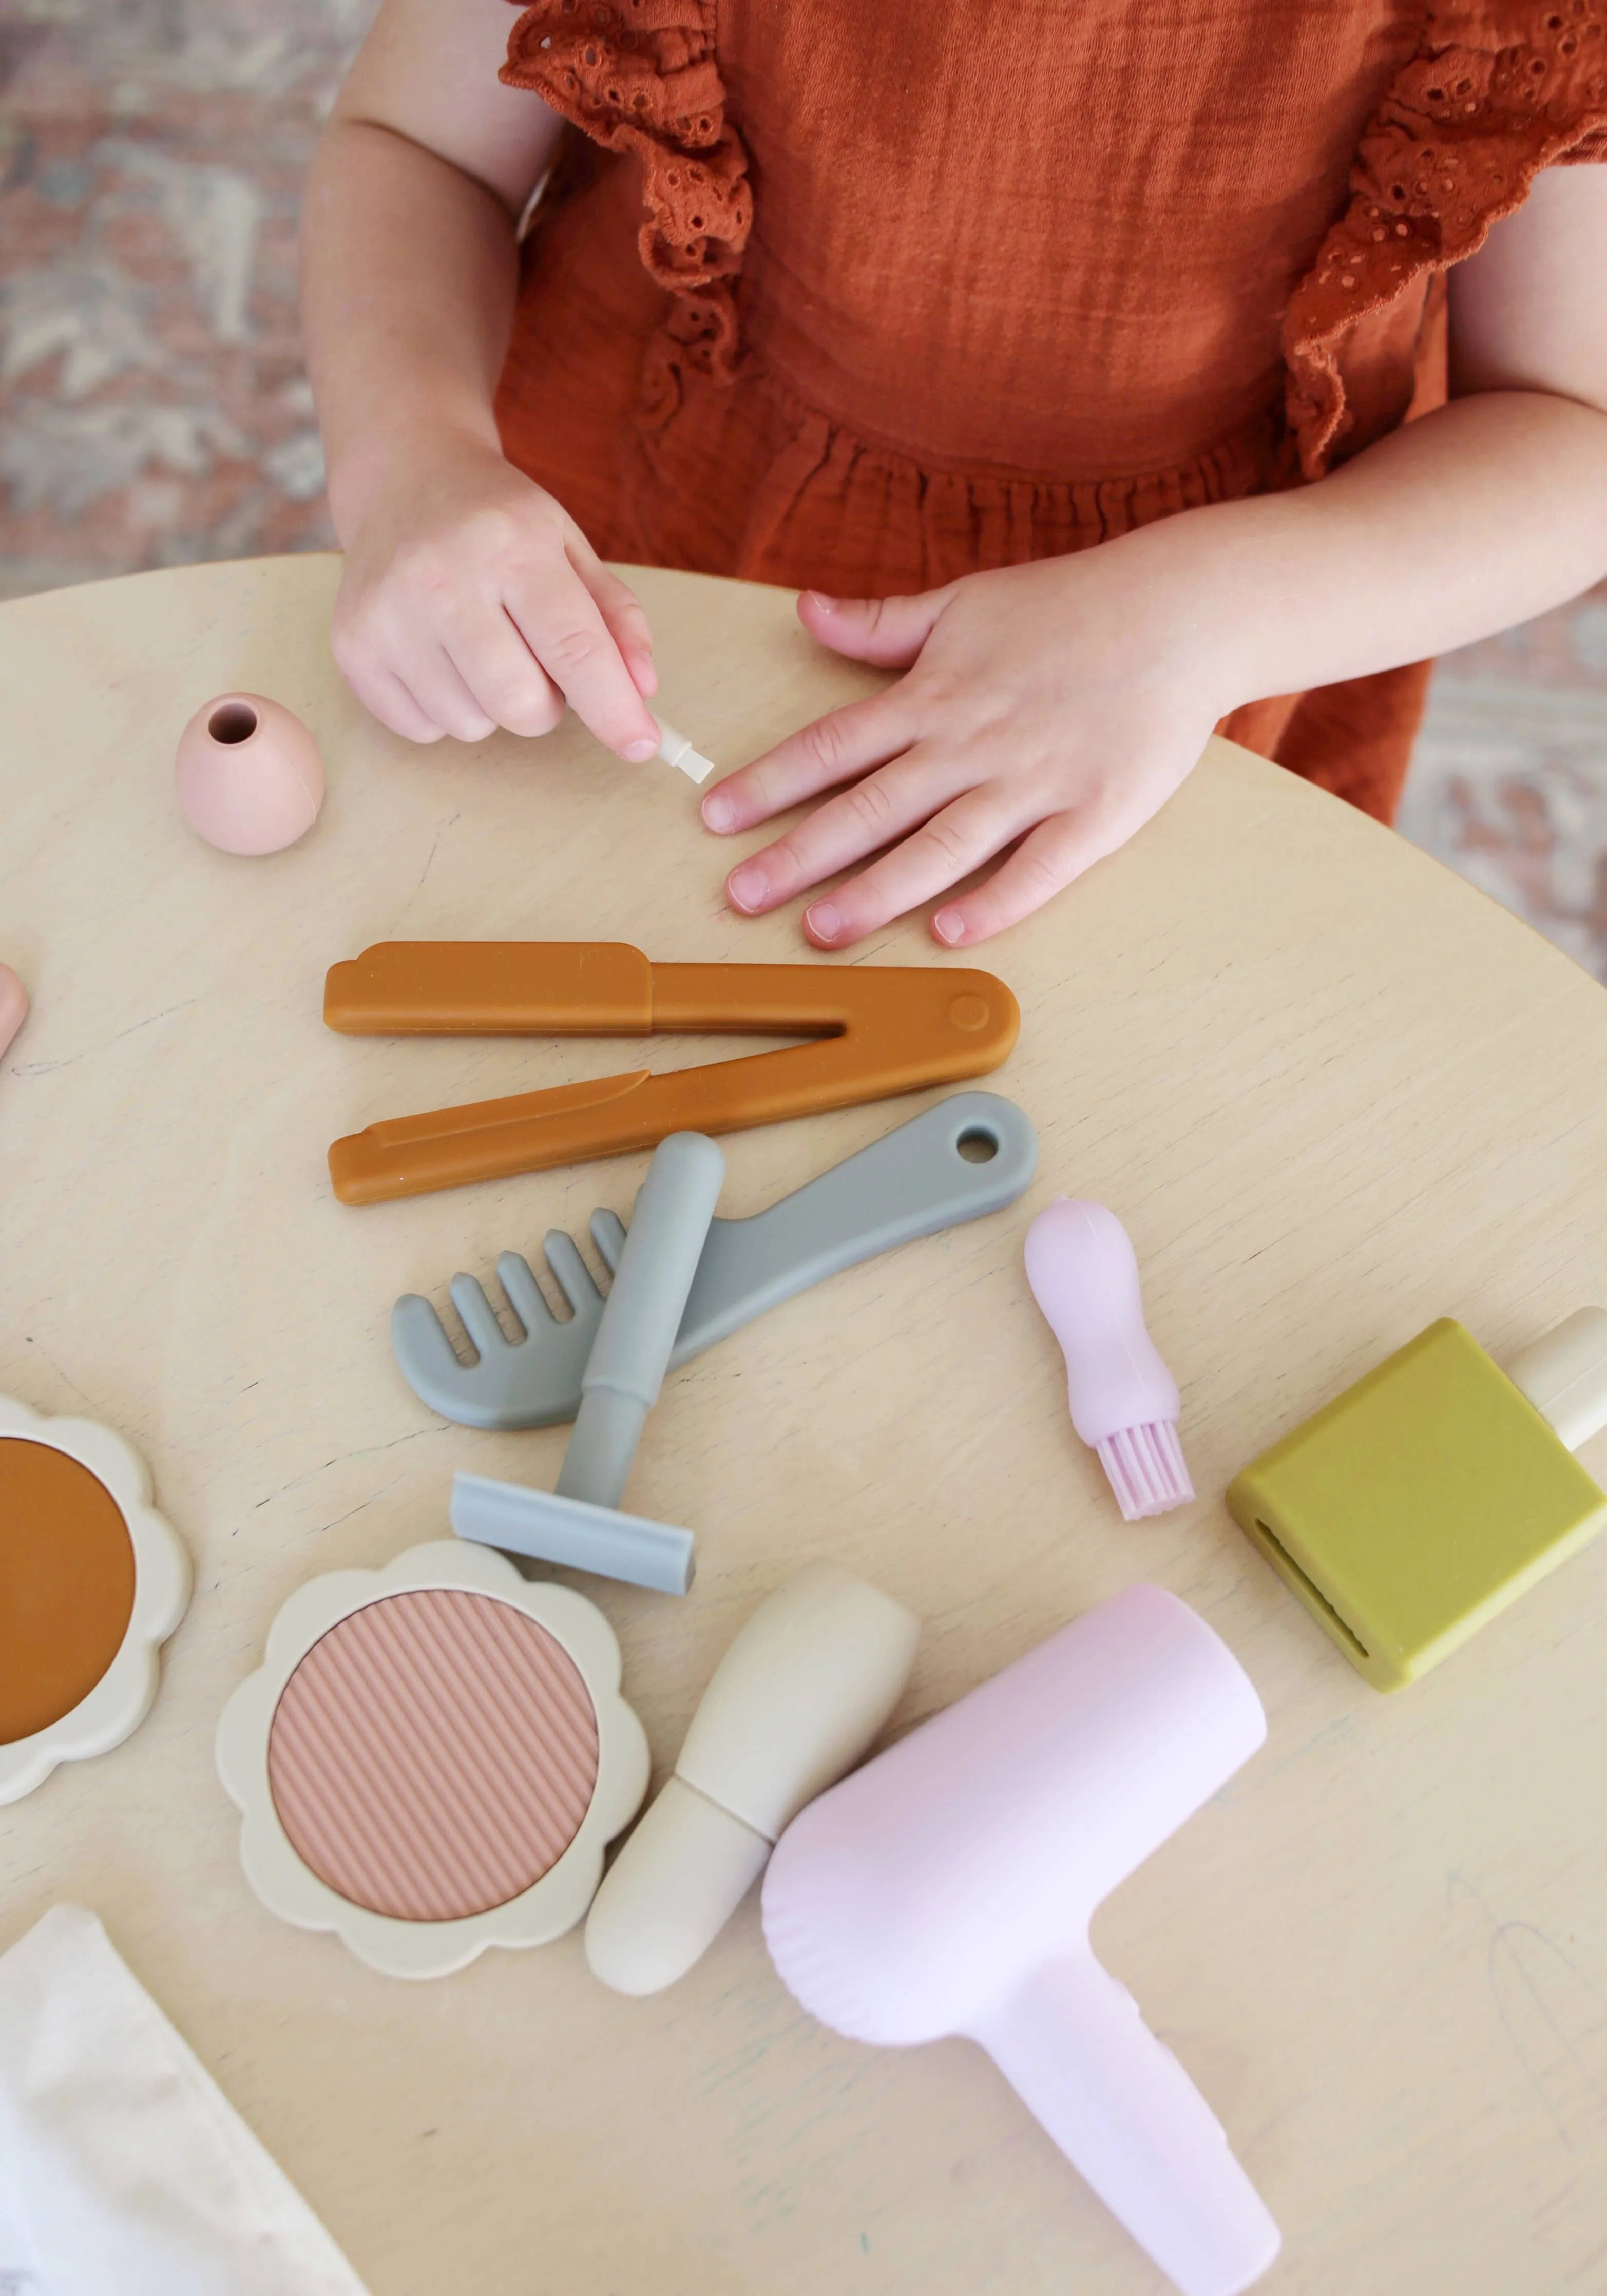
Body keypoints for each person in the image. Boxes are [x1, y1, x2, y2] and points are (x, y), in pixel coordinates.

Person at [300, 0, 1607, 948]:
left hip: (1188, 642)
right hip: (650, 499)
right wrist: (415, 456)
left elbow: (1572, 425)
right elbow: (420, 147)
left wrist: (1194, 625)